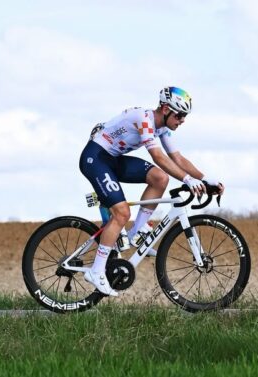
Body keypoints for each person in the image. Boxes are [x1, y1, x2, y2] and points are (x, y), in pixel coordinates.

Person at [79, 86, 223, 296]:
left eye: (185, 116)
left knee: (160, 178)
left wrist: (204, 179)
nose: (182, 120)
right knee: (121, 213)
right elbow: (158, 157)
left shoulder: (162, 128)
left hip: (113, 160)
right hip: (96, 158)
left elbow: (178, 158)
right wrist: (187, 179)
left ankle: (137, 232)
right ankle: (96, 271)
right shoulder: (144, 119)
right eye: (180, 115)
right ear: (165, 109)